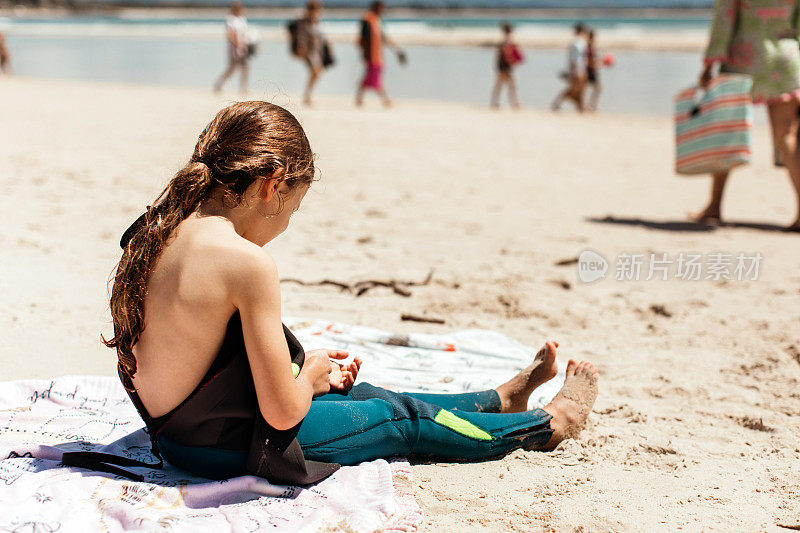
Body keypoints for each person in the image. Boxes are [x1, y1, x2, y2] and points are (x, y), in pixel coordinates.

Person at [94, 102, 599, 484]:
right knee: (399, 420)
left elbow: (199, 357)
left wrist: (301, 372)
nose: (285, 224)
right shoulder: (246, 262)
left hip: (179, 436)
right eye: (293, 209)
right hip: (230, 448)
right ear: (273, 185)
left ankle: (499, 399)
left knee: (369, 397)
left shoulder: (154, 232)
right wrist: (308, 376)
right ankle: (543, 427)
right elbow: (282, 413)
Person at [690, 0, 800, 231]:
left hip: (744, 55)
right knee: (787, 136)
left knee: (726, 132)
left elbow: (724, 17)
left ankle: (714, 205)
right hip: (786, 55)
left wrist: (709, 63)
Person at [355, 1, 405, 107]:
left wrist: (397, 50)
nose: (383, 10)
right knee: (374, 78)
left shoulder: (377, 20)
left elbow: (383, 38)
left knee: (370, 77)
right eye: (381, 8)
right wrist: (364, 53)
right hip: (371, 55)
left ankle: (360, 98)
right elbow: (362, 39)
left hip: (377, 55)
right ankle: (385, 100)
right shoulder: (368, 20)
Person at [289, 0, 332, 106]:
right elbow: (301, 37)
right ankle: (307, 95)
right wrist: (301, 50)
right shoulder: (304, 22)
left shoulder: (317, 21)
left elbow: (321, 36)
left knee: (317, 72)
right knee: (316, 71)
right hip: (309, 52)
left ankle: (308, 94)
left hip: (317, 51)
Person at [213, 2, 250, 95]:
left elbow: (244, 33)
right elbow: (231, 34)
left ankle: (243, 89)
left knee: (245, 68)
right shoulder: (230, 19)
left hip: (242, 47)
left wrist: (245, 43)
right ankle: (219, 84)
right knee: (232, 69)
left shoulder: (242, 19)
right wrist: (237, 44)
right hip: (234, 49)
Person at [551, 23, 588, 113]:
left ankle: (580, 107)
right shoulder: (576, 43)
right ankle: (557, 103)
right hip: (577, 68)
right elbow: (573, 58)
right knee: (574, 89)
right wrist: (574, 69)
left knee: (580, 88)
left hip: (581, 67)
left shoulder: (582, 42)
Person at [490, 22, 524, 109]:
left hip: (501, 65)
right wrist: (513, 61)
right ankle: (514, 103)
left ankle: (495, 103)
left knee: (500, 85)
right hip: (505, 66)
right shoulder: (508, 42)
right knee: (510, 85)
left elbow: (498, 55)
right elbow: (507, 54)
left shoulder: (503, 41)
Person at [585, 29, 601, 112]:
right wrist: (596, 65)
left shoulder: (589, 46)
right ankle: (591, 106)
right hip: (590, 71)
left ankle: (590, 105)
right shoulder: (590, 47)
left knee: (588, 88)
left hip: (590, 70)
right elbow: (590, 60)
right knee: (597, 88)